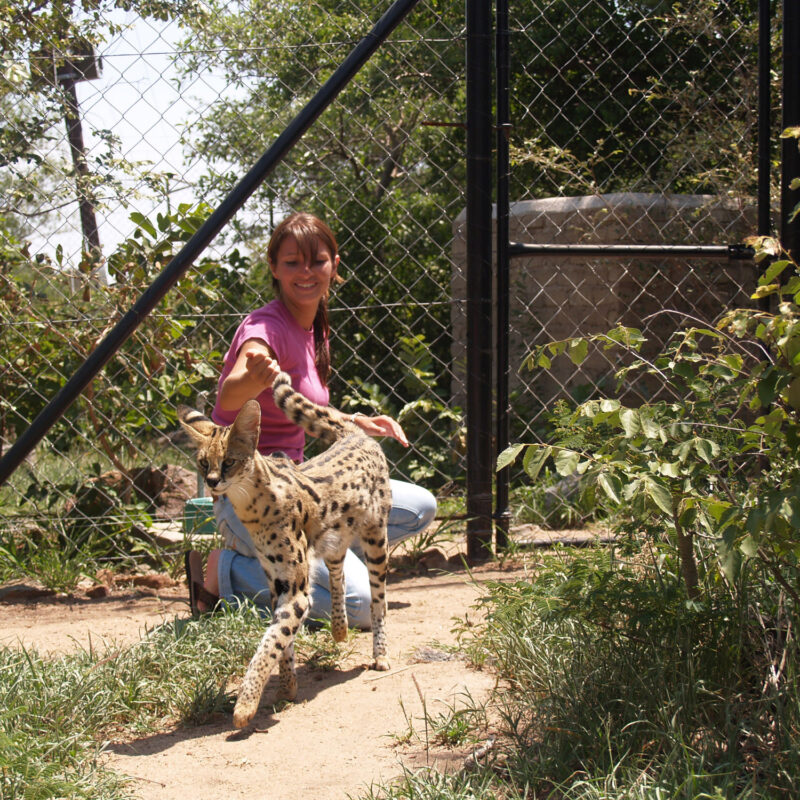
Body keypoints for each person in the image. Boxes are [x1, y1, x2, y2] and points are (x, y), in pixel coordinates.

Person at [184, 212, 437, 627]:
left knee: (418, 508)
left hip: (304, 486)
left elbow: (305, 403)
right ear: (273, 268)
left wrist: (354, 419)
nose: (305, 272)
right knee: (358, 606)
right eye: (291, 262)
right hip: (248, 495)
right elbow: (230, 392)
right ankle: (223, 571)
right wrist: (254, 375)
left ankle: (305, 560)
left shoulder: (313, 325)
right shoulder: (263, 327)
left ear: (334, 264)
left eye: (316, 261)